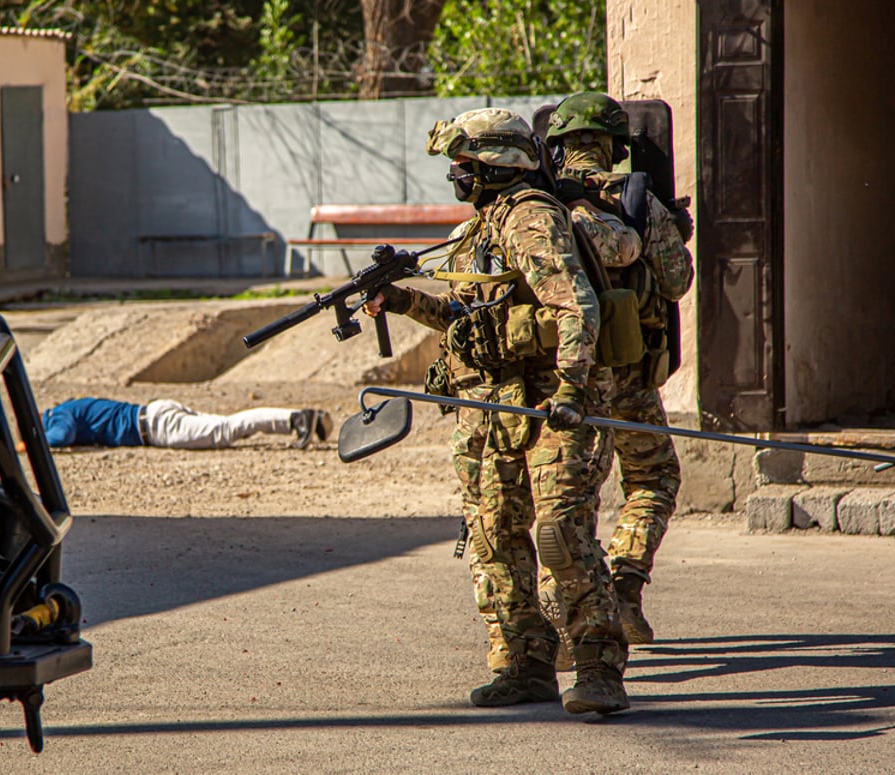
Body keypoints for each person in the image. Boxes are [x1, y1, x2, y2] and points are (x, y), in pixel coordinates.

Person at [365, 107, 629, 715]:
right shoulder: (478, 230)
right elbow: (467, 320)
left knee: (561, 533)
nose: (455, 175)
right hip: (490, 412)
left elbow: (575, 307)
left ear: (494, 163)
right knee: (494, 537)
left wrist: (570, 389)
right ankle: (523, 664)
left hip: (549, 406)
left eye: (463, 165)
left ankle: (598, 666)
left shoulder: (530, 219)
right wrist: (402, 300)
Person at [540, 91, 695, 649]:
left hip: (565, 379)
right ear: (613, 146)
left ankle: (565, 619)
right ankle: (625, 587)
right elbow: (677, 283)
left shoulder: (537, 206)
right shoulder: (634, 198)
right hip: (629, 372)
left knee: (565, 499)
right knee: (653, 479)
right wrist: (674, 229)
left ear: (556, 147)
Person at [34, 397, 331, 450]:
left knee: (227, 430)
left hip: (156, 428)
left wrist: (32, 441)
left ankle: (296, 419)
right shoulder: (71, 406)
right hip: (155, 412)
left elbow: (60, 436)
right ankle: (306, 420)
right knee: (227, 424)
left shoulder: (57, 415)